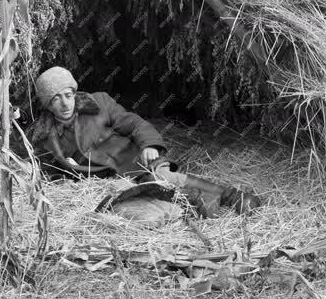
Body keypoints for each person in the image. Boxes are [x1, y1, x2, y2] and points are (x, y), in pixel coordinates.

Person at [29, 66, 261, 217]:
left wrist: (149, 145)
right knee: (145, 205)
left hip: (135, 160)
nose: (64, 103)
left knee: (164, 178)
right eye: (56, 99)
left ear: (74, 92)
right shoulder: (46, 139)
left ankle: (233, 196)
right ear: (48, 105)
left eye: (68, 95)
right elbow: (47, 172)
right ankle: (199, 207)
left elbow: (134, 123)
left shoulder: (98, 103)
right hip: (109, 183)